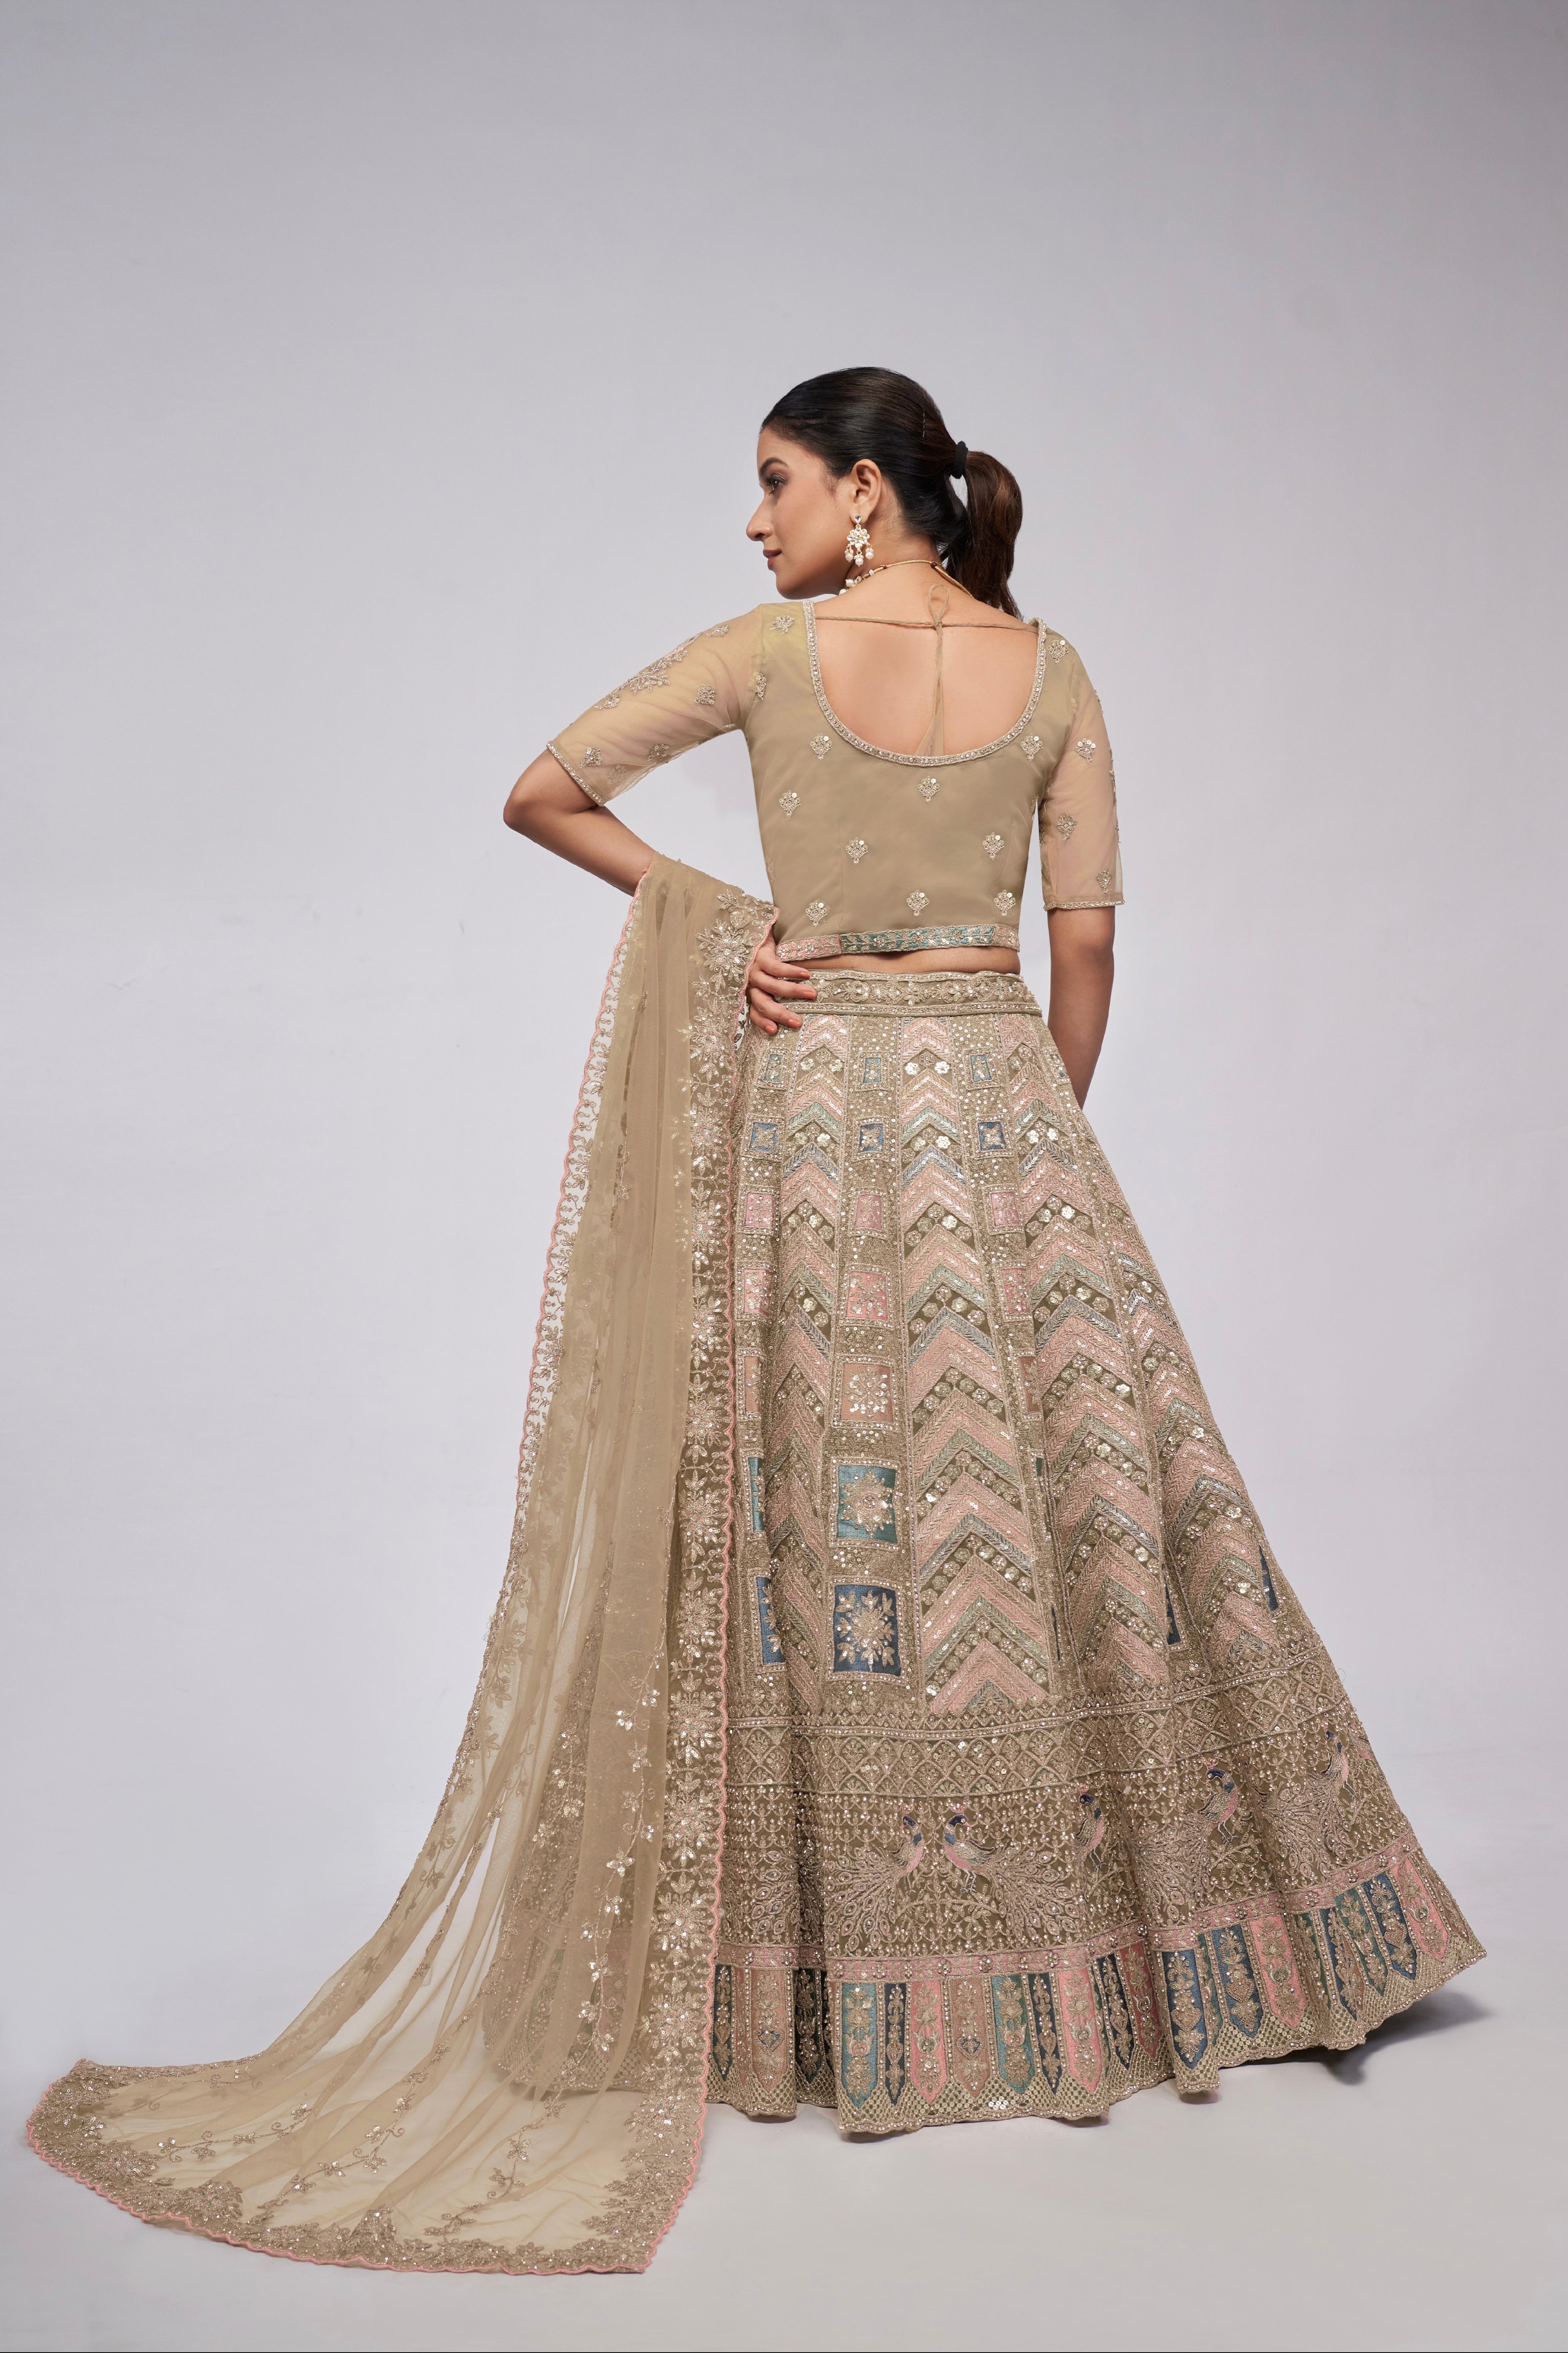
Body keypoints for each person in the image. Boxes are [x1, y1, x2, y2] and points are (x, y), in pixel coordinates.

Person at [30, 368, 1481, 2275]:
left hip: (816, 1113)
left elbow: (542, 790)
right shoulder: (1056, 672)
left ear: (865, 491)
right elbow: (1090, 939)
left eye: (776, 479)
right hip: (1006, 1111)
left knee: (814, 1514)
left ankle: (829, 1986)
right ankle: (1169, 1956)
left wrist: (734, 924)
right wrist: (1037, 1120)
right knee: (1093, 1507)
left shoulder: (766, 653)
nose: (755, 516)